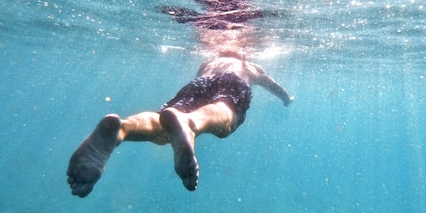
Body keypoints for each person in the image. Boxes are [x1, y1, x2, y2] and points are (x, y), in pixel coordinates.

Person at [67, 55, 294, 197]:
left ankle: (122, 129)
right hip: (233, 81)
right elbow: (273, 86)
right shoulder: (248, 65)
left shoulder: (209, 62)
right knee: (225, 117)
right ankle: (190, 124)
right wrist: (286, 98)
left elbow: (203, 85)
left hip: (199, 82)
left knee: (164, 124)